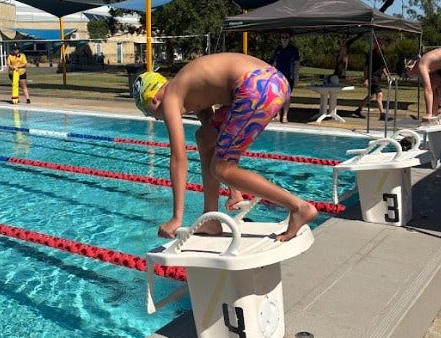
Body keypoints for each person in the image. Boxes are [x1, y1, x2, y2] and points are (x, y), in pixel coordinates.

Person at [132, 53, 318, 241]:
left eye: (150, 114)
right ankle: (211, 220)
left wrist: (176, 218)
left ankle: (298, 207)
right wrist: (233, 189)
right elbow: (212, 137)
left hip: (257, 87)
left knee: (220, 168)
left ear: (154, 100)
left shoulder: (171, 95)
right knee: (204, 138)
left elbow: (178, 158)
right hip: (271, 81)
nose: (156, 118)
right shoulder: (190, 88)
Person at [352, 38, 390, 120]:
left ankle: (358, 110)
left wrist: (387, 75)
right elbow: (366, 67)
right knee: (379, 94)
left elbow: (382, 66)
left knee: (371, 95)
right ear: (375, 45)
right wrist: (366, 79)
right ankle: (382, 114)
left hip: (378, 76)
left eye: (381, 44)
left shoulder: (382, 54)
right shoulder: (371, 54)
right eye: (378, 44)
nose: (379, 45)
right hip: (372, 77)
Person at [271, 31, 300, 122]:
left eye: (286, 37)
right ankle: (277, 115)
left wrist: (296, 76)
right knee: (278, 95)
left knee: (286, 96)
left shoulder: (293, 50)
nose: (284, 39)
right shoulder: (278, 49)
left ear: (289, 39)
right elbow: (275, 63)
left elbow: (297, 63)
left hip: (289, 76)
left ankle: (285, 116)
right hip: (278, 76)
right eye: (283, 37)